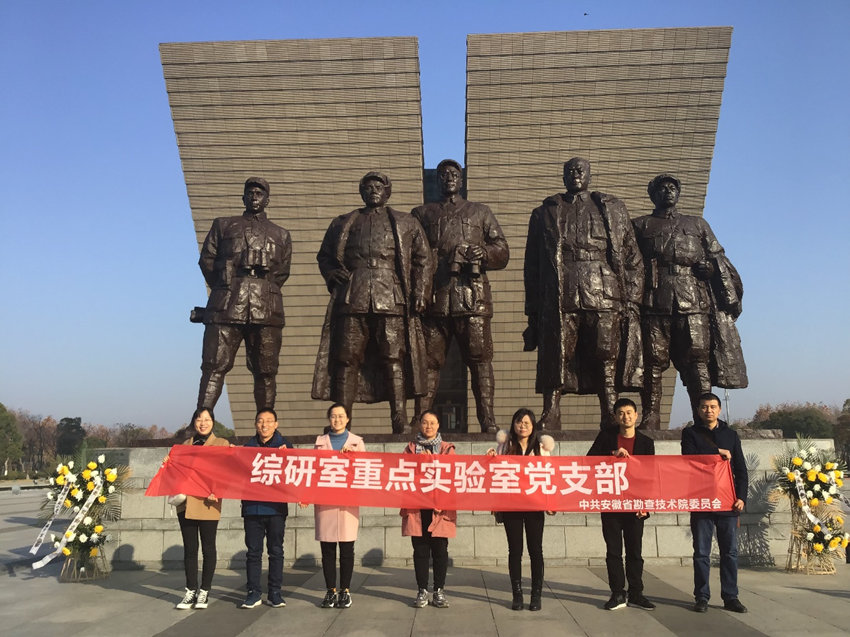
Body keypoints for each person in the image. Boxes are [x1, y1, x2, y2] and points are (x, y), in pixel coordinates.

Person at [523, 157, 643, 429]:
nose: (575, 174)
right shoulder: (543, 213)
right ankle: (551, 411)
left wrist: (632, 299)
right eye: (569, 170)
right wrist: (533, 310)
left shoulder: (612, 208)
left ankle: (610, 411)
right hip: (561, 289)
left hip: (603, 289)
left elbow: (632, 256)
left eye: (580, 170)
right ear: (563, 177)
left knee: (606, 352)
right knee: (557, 351)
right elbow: (532, 266)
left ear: (589, 175)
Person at [312, 171, 431, 433]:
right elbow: (324, 256)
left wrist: (421, 293)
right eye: (368, 187)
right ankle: (343, 422)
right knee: (347, 359)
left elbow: (423, 259)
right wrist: (331, 273)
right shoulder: (343, 222)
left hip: (391, 298)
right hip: (352, 297)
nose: (373, 190)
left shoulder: (406, 222)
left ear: (387, 192)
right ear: (361, 192)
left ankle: (399, 418)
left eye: (379, 187)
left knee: (394, 357)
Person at [632, 174, 747, 428]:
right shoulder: (640, 226)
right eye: (662, 188)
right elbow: (628, 262)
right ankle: (651, 415)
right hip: (654, 302)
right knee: (652, 361)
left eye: (672, 188)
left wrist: (712, 269)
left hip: (693, 302)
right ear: (653, 195)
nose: (668, 191)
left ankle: (704, 415)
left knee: (698, 361)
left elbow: (719, 258)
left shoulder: (697, 224)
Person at [411, 159, 509, 433]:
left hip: (472, 297)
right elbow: (411, 253)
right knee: (429, 362)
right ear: (437, 180)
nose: (449, 178)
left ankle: (487, 420)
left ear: (462, 180)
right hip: (436, 298)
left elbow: (502, 251)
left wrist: (483, 253)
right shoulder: (422, 214)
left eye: (454, 174)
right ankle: (419, 419)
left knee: (480, 360)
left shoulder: (480, 211)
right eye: (443, 174)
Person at [196, 177, 292, 412]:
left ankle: (266, 423)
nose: (254, 197)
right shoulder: (223, 225)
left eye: (259, 193)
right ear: (243, 198)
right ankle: (201, 420)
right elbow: (207, 260)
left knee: (266, 370)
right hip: (227, 304)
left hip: (266, 307)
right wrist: (225, 285)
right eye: (250, 193)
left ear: (267, 200)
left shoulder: (281, 234)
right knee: (214, 365)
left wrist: (262, 287)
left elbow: (282, 272)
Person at [681, 392, 748, 614]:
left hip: (727, 503)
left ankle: (731, 596)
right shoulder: (690, 433)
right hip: (701, 501)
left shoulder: (731, 435)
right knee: (701, 552)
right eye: (704, 407)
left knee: (730, 552)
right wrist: (717, 452)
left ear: (719, 409)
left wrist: (741, 497)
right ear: (698, 410)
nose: (708, 410)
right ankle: (701, 596)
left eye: (712, 407)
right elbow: (689, 457)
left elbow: (740, 469)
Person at [587, 398, 655, 611]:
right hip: (612, 503)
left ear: (636, 415)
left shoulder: (646, 442)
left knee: (635, 551)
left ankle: (636, 593)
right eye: (621, 413)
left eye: (629, 412)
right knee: (614, 551)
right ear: (616, 417)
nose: (626, 417)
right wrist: (612, 455)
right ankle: (617, 593)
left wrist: (645, 503)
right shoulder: (606, 437)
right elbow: (589, 461)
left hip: (635, 505)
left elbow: (650, 475)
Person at [486, 408, 555, 611]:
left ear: (533, 426)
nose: (522, 426)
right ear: (513, 425)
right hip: (511, 505)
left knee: (536, 550)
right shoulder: (504, 447)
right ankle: (517, 595)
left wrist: (551, 502)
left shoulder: (541, 448)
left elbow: (549, 477)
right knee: (515, 551)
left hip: (535, 505)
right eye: (519, 422)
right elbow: (495, 476)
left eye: (526, 423)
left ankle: (536, 595)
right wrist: (490, 459)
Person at [174, 408, 230, 610]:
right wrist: (168, 463)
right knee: (190, 549)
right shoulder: (184, 446)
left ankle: (204, 590)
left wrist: (218, 491)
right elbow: (176, 472)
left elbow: (227, 471)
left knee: (208, 548)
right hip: (186, 504)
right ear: (194, 422)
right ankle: (190, 590)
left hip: (208, 503)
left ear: (213, 422)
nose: (203, 423)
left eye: (207, 419)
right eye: (199, 419)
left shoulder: (222, 444)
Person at [311, 403, 365, 609]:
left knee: (346, 548)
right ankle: (330, 590)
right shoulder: (320, 443)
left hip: (347, 503)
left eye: (341, 416)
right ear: (329, 419)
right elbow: (313, 471)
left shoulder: (357, 442)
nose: (337, 420)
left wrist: (352, 458)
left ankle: (345, 591)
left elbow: (364, 471)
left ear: (348, 419)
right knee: (327, 549)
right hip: (326, 502)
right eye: (333, 416)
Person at [401, 411, 457, 608]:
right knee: (420, 550)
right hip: (417, 507)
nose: (428, 426)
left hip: (440, 508)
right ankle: (422, 590)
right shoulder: (410, 449)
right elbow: (402, 472)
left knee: (440, 550)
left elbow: (451, 474)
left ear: (438, 425)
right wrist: (419, 462)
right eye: (425, 422)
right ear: (420, 425)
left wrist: (432, 460)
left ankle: (439, 590)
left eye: (432, 423)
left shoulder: (447, 449)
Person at [241, 408, 293, 609]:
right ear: (256, 424)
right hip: (252, 508)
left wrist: (288, 457)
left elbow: (296, 474)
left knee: (276, 551)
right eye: (261, 421)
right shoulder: (247, 448)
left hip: (276, 509)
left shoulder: (286, 447)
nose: (265, 425)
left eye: (269, 421)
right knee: (253, 553)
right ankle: (253, 592)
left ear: (276, 424)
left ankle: (275, 593)